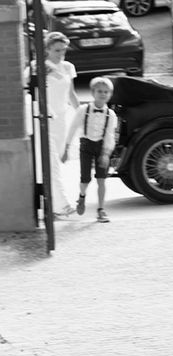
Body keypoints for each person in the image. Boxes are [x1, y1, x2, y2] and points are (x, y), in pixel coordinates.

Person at [25, 31, 80, 218]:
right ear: (47, 49)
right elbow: (27, 90)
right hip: (45, 119)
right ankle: (62, 204)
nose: (61, 54)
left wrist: (81, 115)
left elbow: (71, 94)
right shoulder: (37, 66)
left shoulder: (68, 67)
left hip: (62, 121)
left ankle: (51, 204)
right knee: (52, 163)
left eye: (64, 50)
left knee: (56, 162)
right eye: (57, 50)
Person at [61, 77, 117, 223]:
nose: (103, 94)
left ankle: (101, 209)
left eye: (106, 92)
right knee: (85, 179)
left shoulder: (110, 115)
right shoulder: (83, 110)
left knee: (101, 180)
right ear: (93, 93)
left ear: (110, 94)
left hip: (101, 147)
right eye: (99, 91)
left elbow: (110, 135)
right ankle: (82, 195)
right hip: (86, 145)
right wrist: (66, 148)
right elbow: (72, 129)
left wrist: (106, 153)